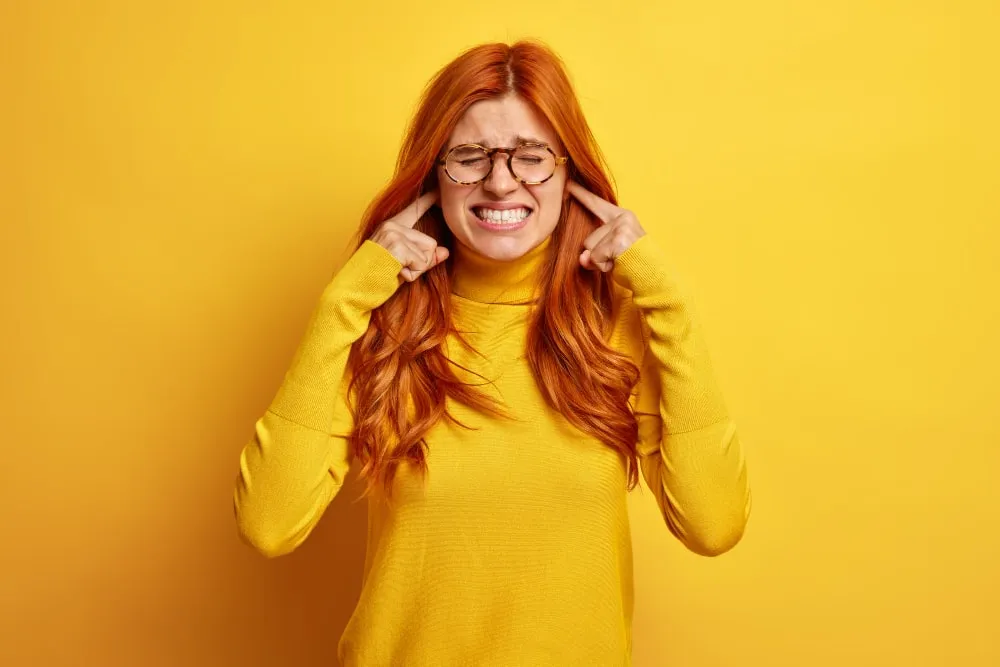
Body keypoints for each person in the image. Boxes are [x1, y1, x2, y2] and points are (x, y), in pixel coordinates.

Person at [233, 39, 751, 666]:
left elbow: (713, 525)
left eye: (531, 156)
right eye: (470, 157)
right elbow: (268, 522)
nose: (500, 182)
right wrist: (344, 300)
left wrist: (668, 299)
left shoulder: (614, 324)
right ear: (434, 175)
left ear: (569, 174)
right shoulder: (383, 324)